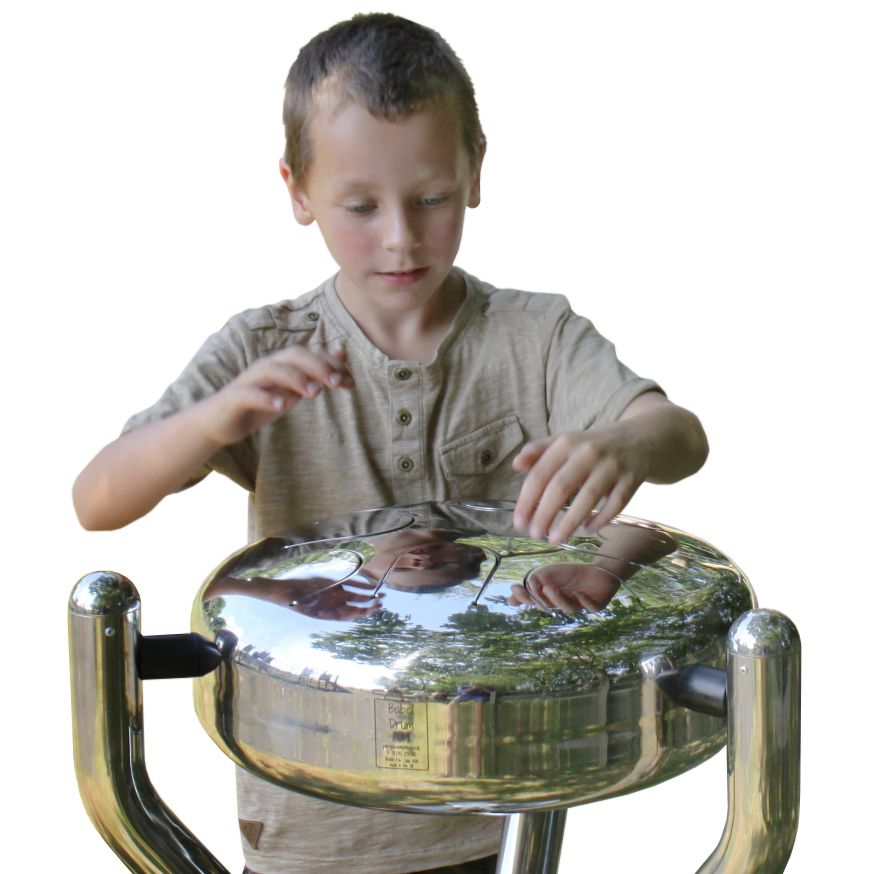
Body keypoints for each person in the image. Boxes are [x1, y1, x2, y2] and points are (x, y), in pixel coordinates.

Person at [72, 12, 708, 874]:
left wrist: (625, 445)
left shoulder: (536, 336)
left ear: (475, 170)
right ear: (298, 190)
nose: (401, 237)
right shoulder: (259, 346)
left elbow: (678, 433)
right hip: (313, 820)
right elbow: (97, 500)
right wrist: (212, 422)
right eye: (362, 207)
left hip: (498, 807)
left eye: (431, 198)